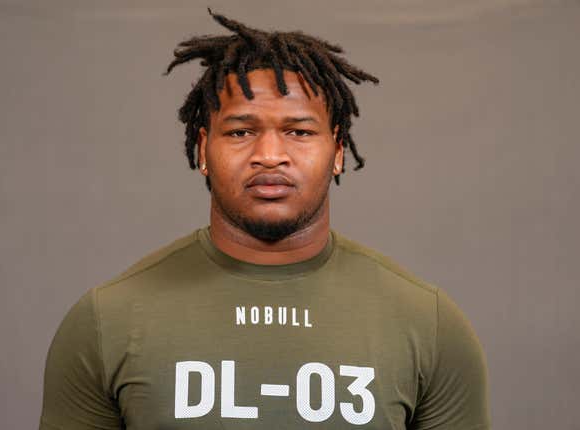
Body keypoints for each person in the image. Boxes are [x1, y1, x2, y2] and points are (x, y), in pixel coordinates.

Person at [39, 9, 490, 430]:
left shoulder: (428, 324)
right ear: (202, 150)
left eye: (299, 132)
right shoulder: (105, 321)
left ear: (336, 152)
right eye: (240, 132)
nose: (270, 155)